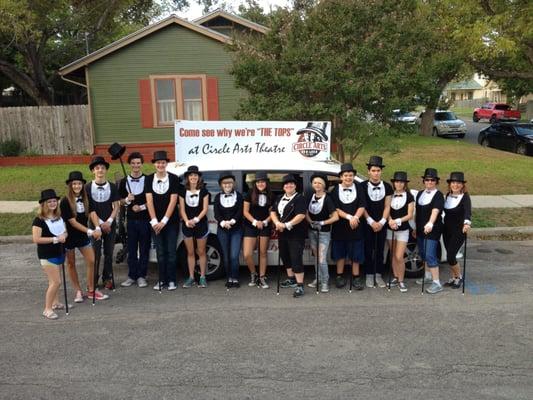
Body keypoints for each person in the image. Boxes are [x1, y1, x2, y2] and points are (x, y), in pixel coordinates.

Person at [60, 171, 109, 302]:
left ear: (82, 184)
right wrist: (90, 231)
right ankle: (77, 291)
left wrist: (97, 227)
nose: (77, 186)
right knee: (71, 264)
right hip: (69, 236)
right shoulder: (65, 201)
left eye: (79, 183)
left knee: (92, 260)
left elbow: (92, 213)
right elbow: (72, 222)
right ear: (70, 185)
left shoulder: (87, 197)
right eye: (74, 184)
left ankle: (91, 290)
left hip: (83, 235)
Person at [145, 150, 179, 291]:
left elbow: (173, 201)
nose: (160, 165)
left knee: (171, 252)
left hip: (170, 222)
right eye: (158, 162)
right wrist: (154, 221)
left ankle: (171, 280)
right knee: (160, 252)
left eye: (163, 162)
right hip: (155, 223)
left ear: (166, 164)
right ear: (154, 164)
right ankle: (161, 280)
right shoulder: (148, 179)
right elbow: (149, 201)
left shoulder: (174, 178)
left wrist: (164, 221)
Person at [32, 189, 68, 320]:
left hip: (59, 252)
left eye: (54, 201)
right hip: (47, 255)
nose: (53, 203)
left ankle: (55, 303)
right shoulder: (39, 220)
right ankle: (47, 309)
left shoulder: (59, 217)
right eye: (49, 201)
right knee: (56, 282)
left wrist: (64, 235)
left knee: (54, 280)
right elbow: (36, 239)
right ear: (44, 204)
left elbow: (64, 232)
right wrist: (55, 239)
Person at [330, 163, 367, 290]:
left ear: (354, 176)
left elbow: (362, 205)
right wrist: (349, 217)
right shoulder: (335, 190)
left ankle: (356, 276)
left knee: (356, 253)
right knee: (340, 253)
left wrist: (355, 217)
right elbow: (336, 208)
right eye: (345, 175)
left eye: (351, 175)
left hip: (356, 226)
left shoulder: (359, 188)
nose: (348, 178)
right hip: (340, 226)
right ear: (341, 177)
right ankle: (339, 275)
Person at [271, 174, 308, 297]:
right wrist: (276, 222)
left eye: (291, 183)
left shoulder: (300, 198)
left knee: (296, 258)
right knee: (285, 256)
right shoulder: (279, 198)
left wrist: (287, 224)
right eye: (286, 184)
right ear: (283, 187)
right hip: (282, 233)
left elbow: (301, 215)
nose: (289, 185)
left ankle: (300, 285)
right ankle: (291, 279)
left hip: (296, 234)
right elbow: (272, 212)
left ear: (295, 185)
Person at [86, 156, 120, 290]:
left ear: (106, 170)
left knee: (109, 252)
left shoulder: (111, 186)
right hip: (94, 224)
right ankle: (94, 278)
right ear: (93, 171)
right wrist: (100, 224)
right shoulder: (87, 187)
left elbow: (116, 206)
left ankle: (108, 277)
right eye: (97, 168)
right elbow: (89, 208)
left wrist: (109, 222)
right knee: (95, 252)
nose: (100, 170)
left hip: (110, 224)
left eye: (102, 168)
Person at [118, 152, 151, 288]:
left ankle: (142, 276)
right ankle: (132, 275)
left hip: (145, 220)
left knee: (144, 248)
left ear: (141, 164)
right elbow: (119, 201)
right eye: (133, 163)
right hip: (130, 221)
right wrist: (127, 199)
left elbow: (153, 200)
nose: (136, 165)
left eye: (138, 163)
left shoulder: (148, 180)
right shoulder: (124, 181)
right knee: (131, 249)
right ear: (130, 165)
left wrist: (142, 207)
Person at [362, 156, 393, 288]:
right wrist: (370, 221)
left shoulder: (387, 186)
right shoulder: (361, 186)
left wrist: (381, 222)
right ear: (369, 171)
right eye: (373, 170)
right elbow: (361, 206)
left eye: (378, 170)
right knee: (368, 249)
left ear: (381, 171)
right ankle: (369, 275)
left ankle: (378, 274)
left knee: (380, 250)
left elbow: (387, 206)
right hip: (367, 222)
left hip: (381, 223)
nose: (376, 173)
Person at [306, 173, 338, 293]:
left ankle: (325, 281)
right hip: (312, 231)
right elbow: (305, 212)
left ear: (324, 185)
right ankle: (318, 278)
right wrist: (310, 222)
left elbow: (335, 217)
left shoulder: (328, 199)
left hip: (324, 232)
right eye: (315, 183)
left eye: (319, 183)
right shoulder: (311, 196)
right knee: (316, 258)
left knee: (321, 259)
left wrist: (322, 223)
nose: (317, 185)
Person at [415, 168, 445, 294]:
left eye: (432, 180)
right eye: (427, 180)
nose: (430, 182)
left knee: (430, 255)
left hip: (432, 229)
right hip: (421, 229)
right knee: (423, 254)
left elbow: (435, 211)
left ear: (436, 182)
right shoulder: (420, 194)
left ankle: (437, 283)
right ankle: (427, 276)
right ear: (424, 181)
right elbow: (418, 213)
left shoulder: (438, 195)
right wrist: (416, 228)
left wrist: (430, 223)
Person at [179, 165, 210, 288]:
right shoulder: (182, 191)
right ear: (187, 177)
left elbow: (205, 208)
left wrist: (196, 219)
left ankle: (202, 277)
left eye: (195, 175)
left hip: (201, 224)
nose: (193, 177)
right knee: (190, 252)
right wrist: (187, 221)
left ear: (199, 177)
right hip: (187, 225)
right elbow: (182, 209)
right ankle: (191, 277)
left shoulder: (204, 191)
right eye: (191, 175)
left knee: (201, 251)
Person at [242, 172, 272, 289]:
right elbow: (245, 211)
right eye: (258, 182)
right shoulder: (249, 193)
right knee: (247, 254)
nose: (260, 184)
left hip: (265, 225)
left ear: (266, 183)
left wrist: (264, 222)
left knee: (263, 253)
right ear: (255, 183)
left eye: (263, 181)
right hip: (251, 225)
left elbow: (272, 213)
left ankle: (262, 277)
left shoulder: (271, 195)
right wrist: (255, 222)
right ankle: (253, 274)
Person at [214, 172, 244, 288]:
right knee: (225, 256)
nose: (227, 185)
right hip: (222, 230)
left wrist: (232, 221)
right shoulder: (217, 197)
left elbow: (240, 212)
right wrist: (223, 223)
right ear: (221, 185)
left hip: (236, 229)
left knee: (234, 256)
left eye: (230, 182)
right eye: (225, 183)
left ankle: (235, 278)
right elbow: (216, 213)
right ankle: (229, 278)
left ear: (233, 183)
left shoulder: (239, 196)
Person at [387, 171, 415, 293]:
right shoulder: (389, 195)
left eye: (401, 182)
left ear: (405, 184)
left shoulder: (409, 196)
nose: (399, 184)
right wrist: (389, 220)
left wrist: (397, 221)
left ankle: (401, 281)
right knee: (393, 254)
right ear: (394, 183)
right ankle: (396, 277)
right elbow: (386, 210)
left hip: (403, 230)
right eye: (397, 182)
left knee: (399, 256)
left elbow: (409, 215)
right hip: (390, 229)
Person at [443, 171, 472, 288]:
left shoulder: (465, 197)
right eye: (453, 182)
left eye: (458, 183)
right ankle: (454, 277)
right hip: (446, 230)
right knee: (450, 257)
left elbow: (467, 212)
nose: (455, 185)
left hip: (459, 231)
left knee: (450, 255)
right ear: (450, 184)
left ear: (462, 185)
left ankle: (459, 277)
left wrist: (467, 223)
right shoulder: (447, 196)